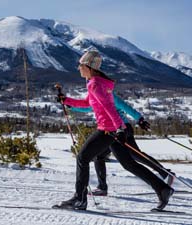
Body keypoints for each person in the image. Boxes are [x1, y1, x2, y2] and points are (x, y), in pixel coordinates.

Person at [54, 50, 174, 211]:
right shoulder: (96, 82)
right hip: (111, 130)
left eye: (81, 65)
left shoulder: (95, 84)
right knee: (129, 164)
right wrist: (66, 100)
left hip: (107, 130)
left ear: (89, 66)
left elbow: (110, 107)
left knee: (83, 157)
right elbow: (87, 104)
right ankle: (162, 189)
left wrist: (120, 128)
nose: (78, 68)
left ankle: (79, 199)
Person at [69, 95, 175, 196]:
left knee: (134, 156)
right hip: (114, 130)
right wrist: (72, 107)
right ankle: (102, 187)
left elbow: (126, 107)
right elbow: (88, 107)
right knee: (100, 156)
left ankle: (164, 174)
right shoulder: (98, 97)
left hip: (121, 130)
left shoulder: (110, 96)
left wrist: (140, 119)